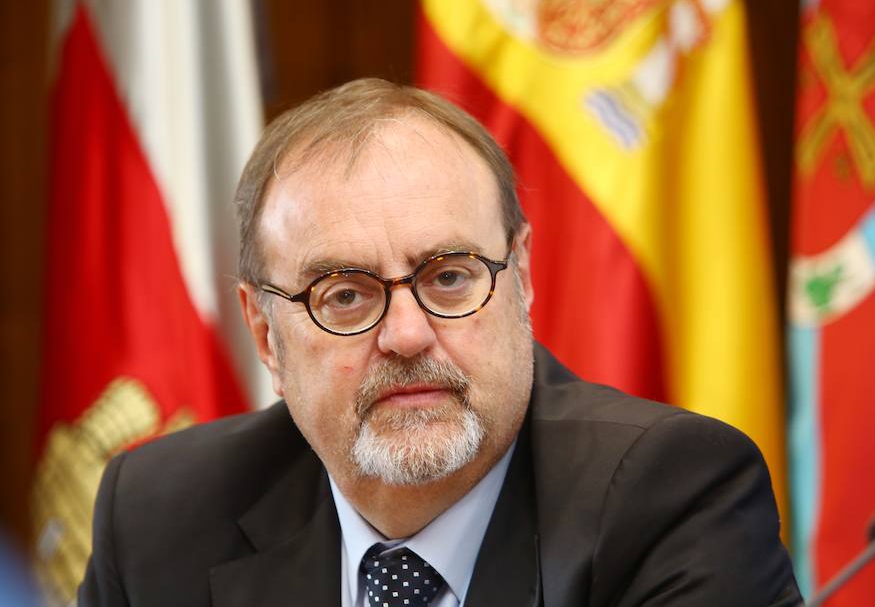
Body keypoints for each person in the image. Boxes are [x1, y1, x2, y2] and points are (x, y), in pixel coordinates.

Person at [79, 78, 802, 606]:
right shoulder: (159, 517)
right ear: (266, 335)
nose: (406, 334)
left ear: (519, 278)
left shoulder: (672, 496)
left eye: (449, 277)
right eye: (346, 295)